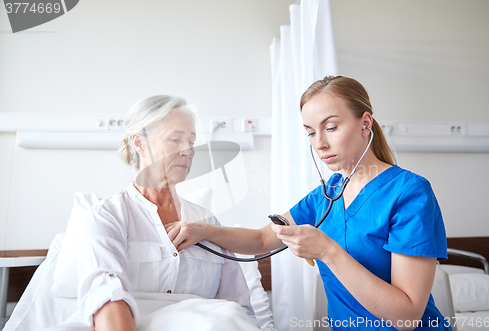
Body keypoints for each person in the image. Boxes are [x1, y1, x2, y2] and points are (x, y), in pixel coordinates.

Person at [166, 76, 452, 330]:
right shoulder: (327, 194)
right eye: (311, 132)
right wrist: (202, 230)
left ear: (365, 123)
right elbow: (262, 239)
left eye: (331, 127)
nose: (319, 144)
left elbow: (407, 317)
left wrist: (328, 251)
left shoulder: (410, 193)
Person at [76, 95, 258, 331]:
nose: (187, 151)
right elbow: (107, 296)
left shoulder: (207, 223)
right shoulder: (108, 217)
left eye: (191, 142)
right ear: (140, 144)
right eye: (175, 139)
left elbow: (238, 307)